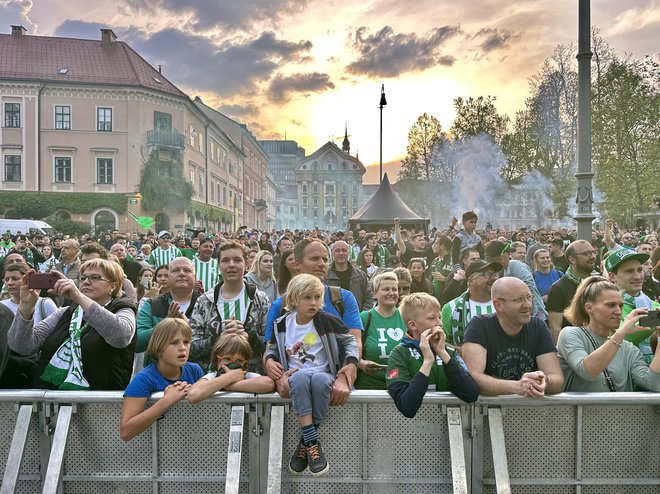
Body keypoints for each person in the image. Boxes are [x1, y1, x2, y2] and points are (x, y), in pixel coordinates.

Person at [264, 274, 359, 476]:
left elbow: (350, 341)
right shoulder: (281, 324)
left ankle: (306, 442)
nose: (314, 302)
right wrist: (269, 361)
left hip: (323, 374)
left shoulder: (328, 320)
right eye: (307, 297)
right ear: (293, 300)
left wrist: (351, 363)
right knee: (299, 379)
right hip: (295, 375)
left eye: (317, 297)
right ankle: (312, 443)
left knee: (318, 380)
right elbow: (271, 349)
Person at [8, 258, 137, 390]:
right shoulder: (66, 313)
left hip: (99, 402)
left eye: (95, 277)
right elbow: (21, 346)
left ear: (112, 286)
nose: (86, 282)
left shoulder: (124, 309)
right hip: (53, 402)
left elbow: (121, 337)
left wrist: (79, 298)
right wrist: (26, 305)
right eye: (83, 278)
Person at [265, 238, 363, 406]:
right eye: (315, 259)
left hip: (336, 393)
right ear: (297, 264)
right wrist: (276, 374)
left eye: (325, 259)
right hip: (293, 394)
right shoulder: (279, 306)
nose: (322, 264)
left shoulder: (343, 298)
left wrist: (345, 377)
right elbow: (270, 350)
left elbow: (355, 342)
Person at [461, 277, 564, 397]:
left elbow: (557, 378)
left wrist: (543, 381)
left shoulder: (538, 326)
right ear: (498, 305)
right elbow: (473, 378)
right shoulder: (480, 325)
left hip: (530, 412)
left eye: (529, 297)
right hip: (488, 411)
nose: (527, 305)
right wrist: (518, 386)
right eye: (519, 299)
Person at [557, 276, 660, 392]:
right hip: (581, 410)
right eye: (611, 305)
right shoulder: (571, 334)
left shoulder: (628, 348)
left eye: (621, 305)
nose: (618, 311)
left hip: (619, 410)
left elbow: (654, 384)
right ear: (589, 308)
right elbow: (587, 371)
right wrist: (622, 332)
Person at [387, 292, 479, 418]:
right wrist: (428, 361)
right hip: (410, 432)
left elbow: (471, 394)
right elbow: (407, 407)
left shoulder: (449, 352)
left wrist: (443, 354)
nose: (440, 323)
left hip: (448, 427)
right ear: (412, 325)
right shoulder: (399, 353)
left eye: (439, 317)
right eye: (432, 318)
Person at [189, 241, 270, 372]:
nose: (231, 265)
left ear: (246, 264)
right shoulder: (204, 301)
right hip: (212, 379)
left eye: (237, 260)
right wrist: (219, 338)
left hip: (251, 378)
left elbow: (270, 343)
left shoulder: (260, 299)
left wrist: (249, 337)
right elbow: (191, 348)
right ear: (219, 265)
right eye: (225, 260)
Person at [120, 318, 204, 441]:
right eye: (174, 343)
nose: (182, 348)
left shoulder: (195, 370)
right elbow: (126, 432)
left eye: (186, 342)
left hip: (193, 442)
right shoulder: (144, 379)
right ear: (158, 348)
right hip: (154, 451)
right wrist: (167, 400)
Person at [0, 263, 58, 388]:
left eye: (15, 279)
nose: (9, 283)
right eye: (6, 279)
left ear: (27, 280)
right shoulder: (2, 307)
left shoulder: (45, 304)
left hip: (38, 369)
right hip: (10, 372)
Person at [136, 257, 201, 359]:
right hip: (158, 372)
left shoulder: (207, 304)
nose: (182, 274)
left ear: (195, 277)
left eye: (187, 270)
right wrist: (165, 324)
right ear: (169, 277)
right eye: (176, 270)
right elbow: (137, 343)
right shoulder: (152, 305)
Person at [187, 331, 275, 402]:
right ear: (217, 360)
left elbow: (268, 383)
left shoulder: (247, 376)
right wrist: (229, 378)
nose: (232, 364)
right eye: (227, 359)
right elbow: (193, 394)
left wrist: (230, 386)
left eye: (239, 360)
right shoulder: (212, 377)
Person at [605, 248, 658, 364]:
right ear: (612, 276)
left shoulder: (655, 305)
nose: (638, 276)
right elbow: (622, 339)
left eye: (639, 270)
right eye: (629, 271)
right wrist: (655, 318)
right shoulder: (606, 309)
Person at [355, 272, 405, 389]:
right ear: (374, 293)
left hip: (401, 385)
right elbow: (349, 349)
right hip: (370, 386)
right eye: (386, 289)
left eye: (394, 289)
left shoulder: (407, 316)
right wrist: (360, 363)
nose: (391, 293)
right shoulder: (364, 317)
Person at [441, 260, 501, 353]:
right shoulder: (451, 307)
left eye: (495, 274)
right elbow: (442, 342)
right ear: (471, 281)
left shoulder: (506, 303)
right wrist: (460, 350)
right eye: (487, 274)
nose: (494, 278)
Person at [547, 240, 597, 342]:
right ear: (572, 259)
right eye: (586, 254)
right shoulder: (558, 288)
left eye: (593, 252)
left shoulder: (597, 283)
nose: (592, 257)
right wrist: (562, 355)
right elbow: (555, 328)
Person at [485, 240, 547, 320]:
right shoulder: (493, 272)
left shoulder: (515, 265)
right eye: (508, 254)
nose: (509, 256)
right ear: (502, 257)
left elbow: (529, 287)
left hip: (533, 314)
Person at [326, 240, 373, 311]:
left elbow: (368, 297)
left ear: (349, 253)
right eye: (337, 250)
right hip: (331, 319)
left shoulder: (360, 275)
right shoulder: (325, 275)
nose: (341, 253)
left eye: (344, 250)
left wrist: (362, 316)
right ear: (332, 253)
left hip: (356, 318)